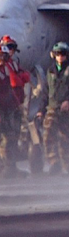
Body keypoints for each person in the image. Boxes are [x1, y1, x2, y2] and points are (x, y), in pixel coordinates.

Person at [39, 42, 69, 176]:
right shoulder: (50, 71)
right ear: (53, 55)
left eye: (63, 54)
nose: (60, 57)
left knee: (66, 138)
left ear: (67, 55)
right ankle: (54, 162)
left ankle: (67, 167)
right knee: (47, 134)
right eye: (57, 54)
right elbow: (45, 92)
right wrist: (41, 110)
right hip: (52, 108)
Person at [0, 35, 31, 177]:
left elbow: (21, 78)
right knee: (6, 137)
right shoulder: (6, 66)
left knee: (11, 136)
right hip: (3, 107)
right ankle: (7, 167)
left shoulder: (10, 65)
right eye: (7, 48)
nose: (9, 52)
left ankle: (10, 166)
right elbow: (14, 81)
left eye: (12, 48)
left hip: (11, 105)